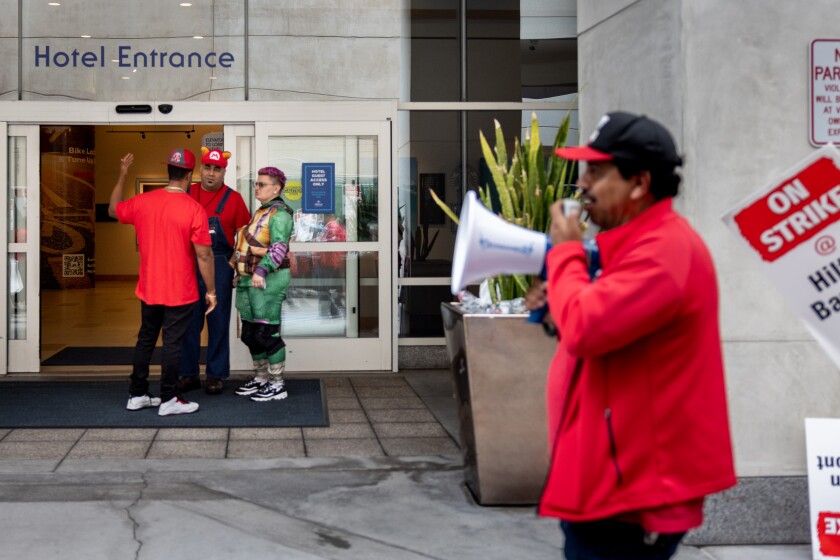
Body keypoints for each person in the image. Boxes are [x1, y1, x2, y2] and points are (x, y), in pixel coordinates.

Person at [534, 112, 736, 559]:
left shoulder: (664, 251)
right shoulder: (641, 245)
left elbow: (586, 328)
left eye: (597, 172)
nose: (581, 184)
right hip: (612, 479)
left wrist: (565, 251)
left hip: (632, 494)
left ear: (640, 184)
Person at [109, 150, 217, 416]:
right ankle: (169, 398)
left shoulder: (143, 201)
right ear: (190, 175)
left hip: (149, 287)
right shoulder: (194, 209)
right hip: (180, 290)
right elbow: (204, 254)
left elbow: (113, 210)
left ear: (168, 172)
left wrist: (122, 175)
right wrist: (212, 291)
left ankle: (137, 394)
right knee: (172, 344)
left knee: (146, 339)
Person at [177, 147, 251, 395]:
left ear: (224, 172)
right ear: (200, 169)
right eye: (207, 167)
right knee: (189, 321)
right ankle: (188, 374)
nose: (211, 173)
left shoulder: (234, 199)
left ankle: (216, 375)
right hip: (188, 263)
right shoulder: (186, 194)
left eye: (217, 169)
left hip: (219, 264)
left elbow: (245, 237)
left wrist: (236, 266)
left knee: (218, 321)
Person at [230, 166, 294, 402]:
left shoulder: (281, 214)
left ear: (276, 188)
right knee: (250, 333)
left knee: (267, 333)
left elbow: (279, 248)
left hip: (267, 281)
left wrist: (260, 270)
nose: (256, 187)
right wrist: (238, 272)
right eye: (256, 184)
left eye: (262, 184)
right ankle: (261, 378)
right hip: (248, 281)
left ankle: (277, 383)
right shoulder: (261, 212)